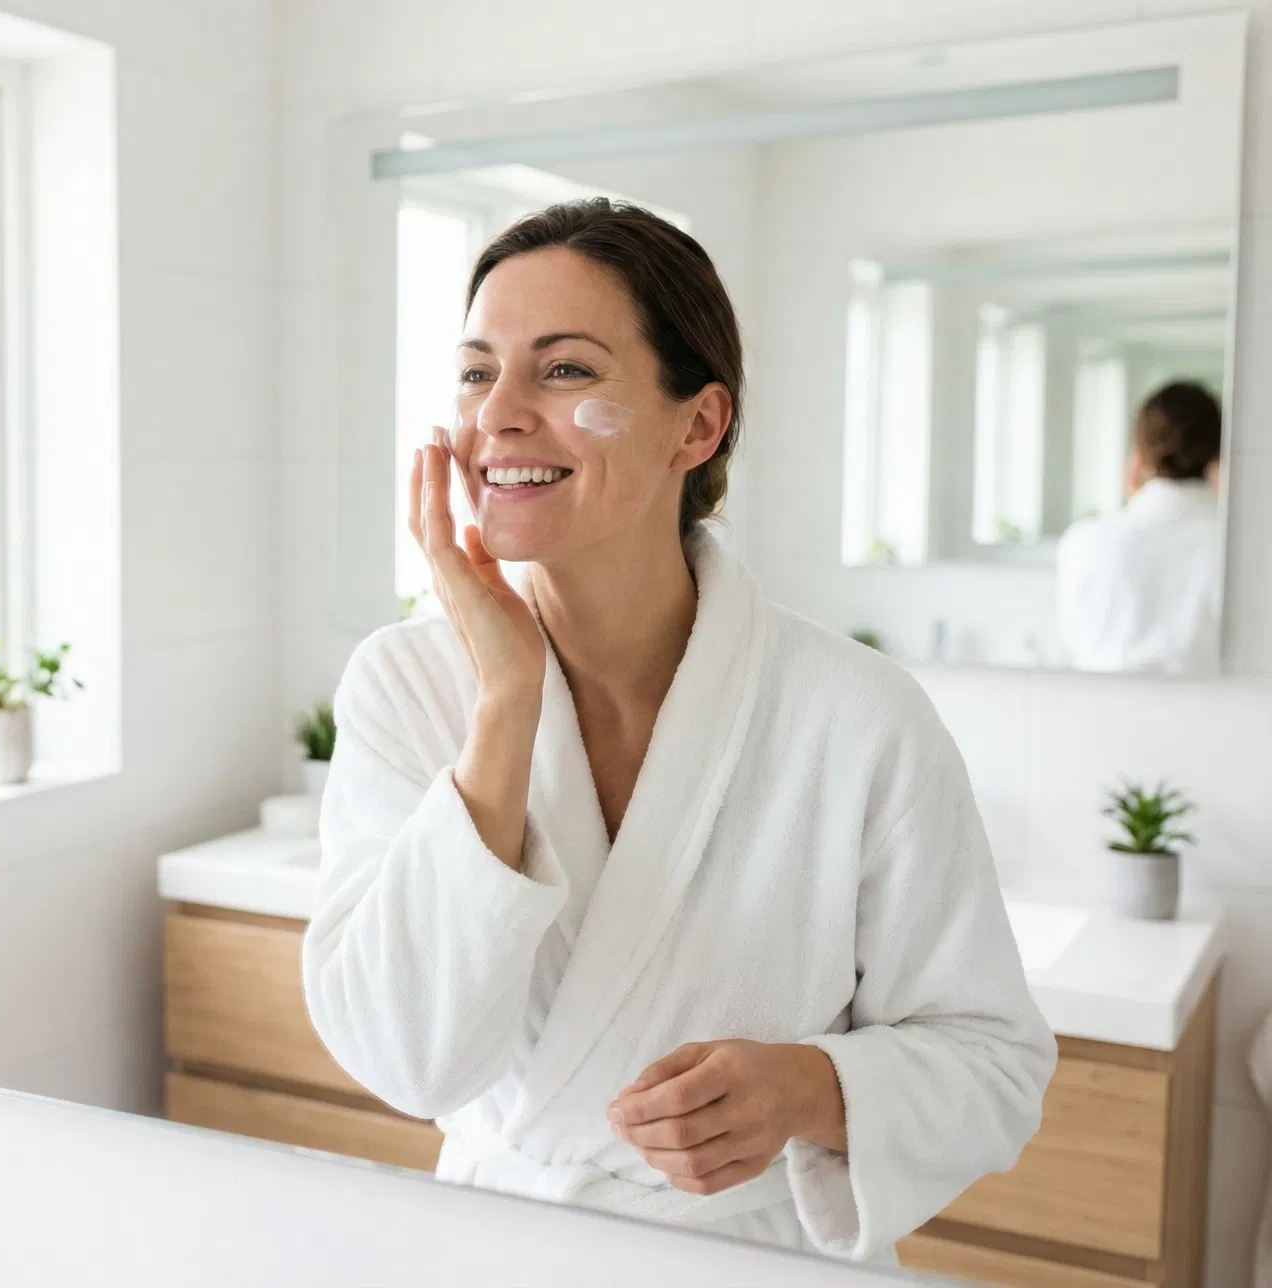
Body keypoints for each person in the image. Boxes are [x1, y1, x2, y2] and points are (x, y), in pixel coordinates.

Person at [302, 199, 1055, 1264]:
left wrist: (815, 1088)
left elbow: (995, 1064)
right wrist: (507, 700)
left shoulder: (857, 714)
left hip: (743, 1257)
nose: (499, 415)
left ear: (696, 426)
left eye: (564, 371)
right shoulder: (408, 684)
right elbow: (407, 1059)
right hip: (493, 1246)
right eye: (477, 372)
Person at [1056, 381, 1224, 674]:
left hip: (1091, 714)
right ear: (1218, 452)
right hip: (1208, 716)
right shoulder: (1237, 547)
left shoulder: (1084, 542)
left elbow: (1073, 646)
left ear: (1139, 452)